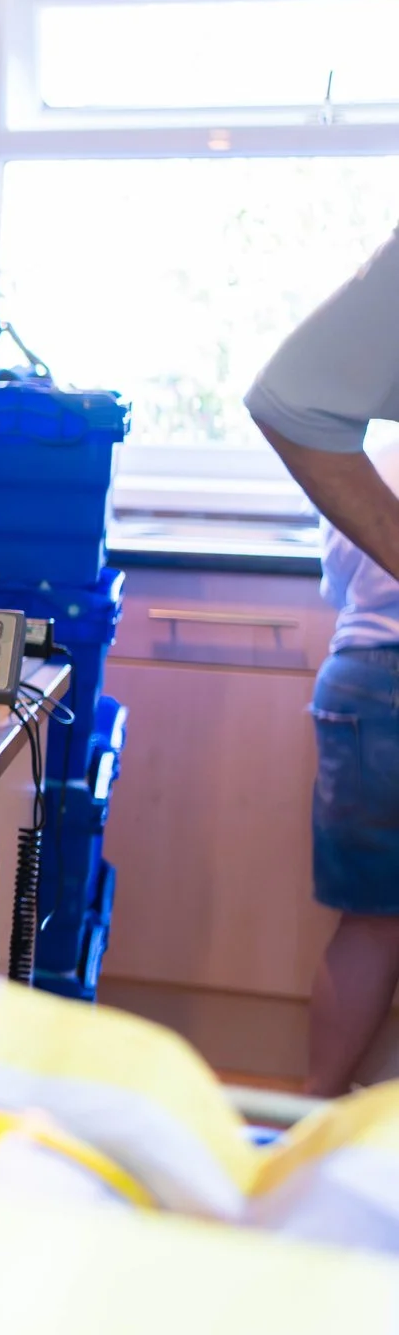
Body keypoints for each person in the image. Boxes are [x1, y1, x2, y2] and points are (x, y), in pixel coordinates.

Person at [247, 224, 399, 1096]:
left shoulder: (371, 458)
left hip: (355, 688)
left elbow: (342, 586)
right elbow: (289, 398)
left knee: (372, 925)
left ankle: (317, 1112)